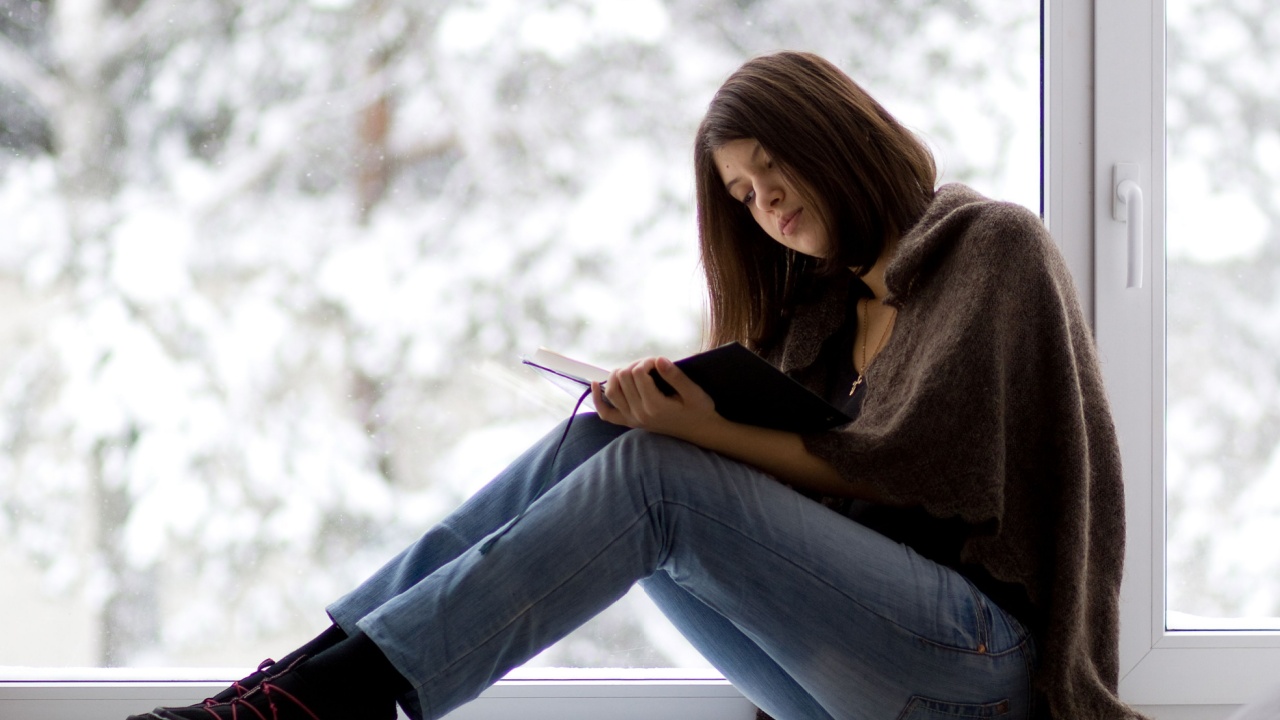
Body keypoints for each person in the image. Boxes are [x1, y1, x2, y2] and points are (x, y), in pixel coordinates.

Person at [127, 51, 1144, 720]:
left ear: (838, 137)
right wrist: (676, 417)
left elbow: (919, 473)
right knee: (597, 444)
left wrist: (701, 434)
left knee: (657, 472)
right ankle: (292, 689)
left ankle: (330, 705)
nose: (766, 205)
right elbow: (809, 501)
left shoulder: (986, 246)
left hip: (982, 663)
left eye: (775, 170)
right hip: (863, 665)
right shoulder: (820, 316)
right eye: (743, 194)